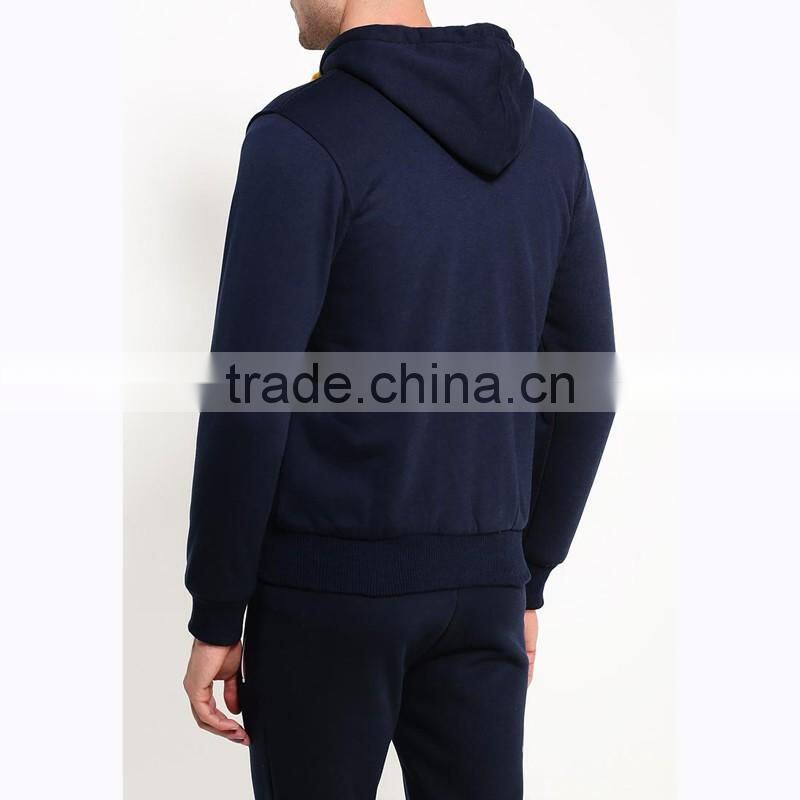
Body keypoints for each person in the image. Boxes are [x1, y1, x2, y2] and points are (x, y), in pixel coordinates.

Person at [182, 1, 615, 797]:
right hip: (486, 589)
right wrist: (523, 576)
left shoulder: (301, 136)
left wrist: (216, 609)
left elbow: (249, 394)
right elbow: (586, 387)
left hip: (325, 594)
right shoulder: (550, 145)